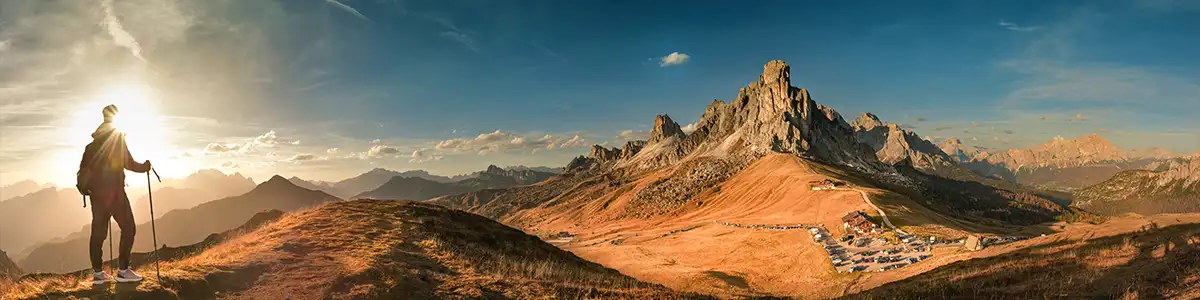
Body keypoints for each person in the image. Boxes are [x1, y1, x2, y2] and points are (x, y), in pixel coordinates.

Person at [79, 104, 151, 285]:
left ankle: (98, 274)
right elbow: (129, 163)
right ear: (116, 117)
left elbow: (82, 171)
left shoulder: (91, 146)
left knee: (98, 234)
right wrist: (145, 167)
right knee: (129, 228)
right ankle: (123, 271)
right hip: (116, 194)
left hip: (97, 197)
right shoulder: (117, 139)